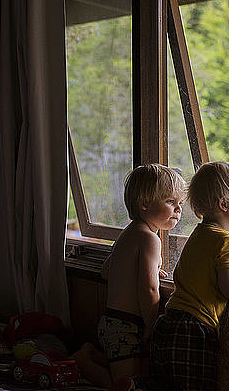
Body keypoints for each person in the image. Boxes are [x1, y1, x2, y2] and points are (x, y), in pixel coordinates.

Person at [150, 161, 229, 391]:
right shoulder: (225, 240)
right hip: (194, 329)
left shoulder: (198, 234)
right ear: (224, 204)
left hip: (168, 321)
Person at [72, 163, 185, 390]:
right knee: (123, 384)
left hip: (112, 320)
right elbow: (149, 289)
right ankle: (83, 361)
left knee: (131, 369)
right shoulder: (151, 239)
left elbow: (106, 270)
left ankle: (92, 354)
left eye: (180, 203)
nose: (178, 210)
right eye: (171, 202)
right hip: (127, 325)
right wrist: (153, 324)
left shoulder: (128, 233)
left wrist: (140, 269)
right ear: (145, 204)